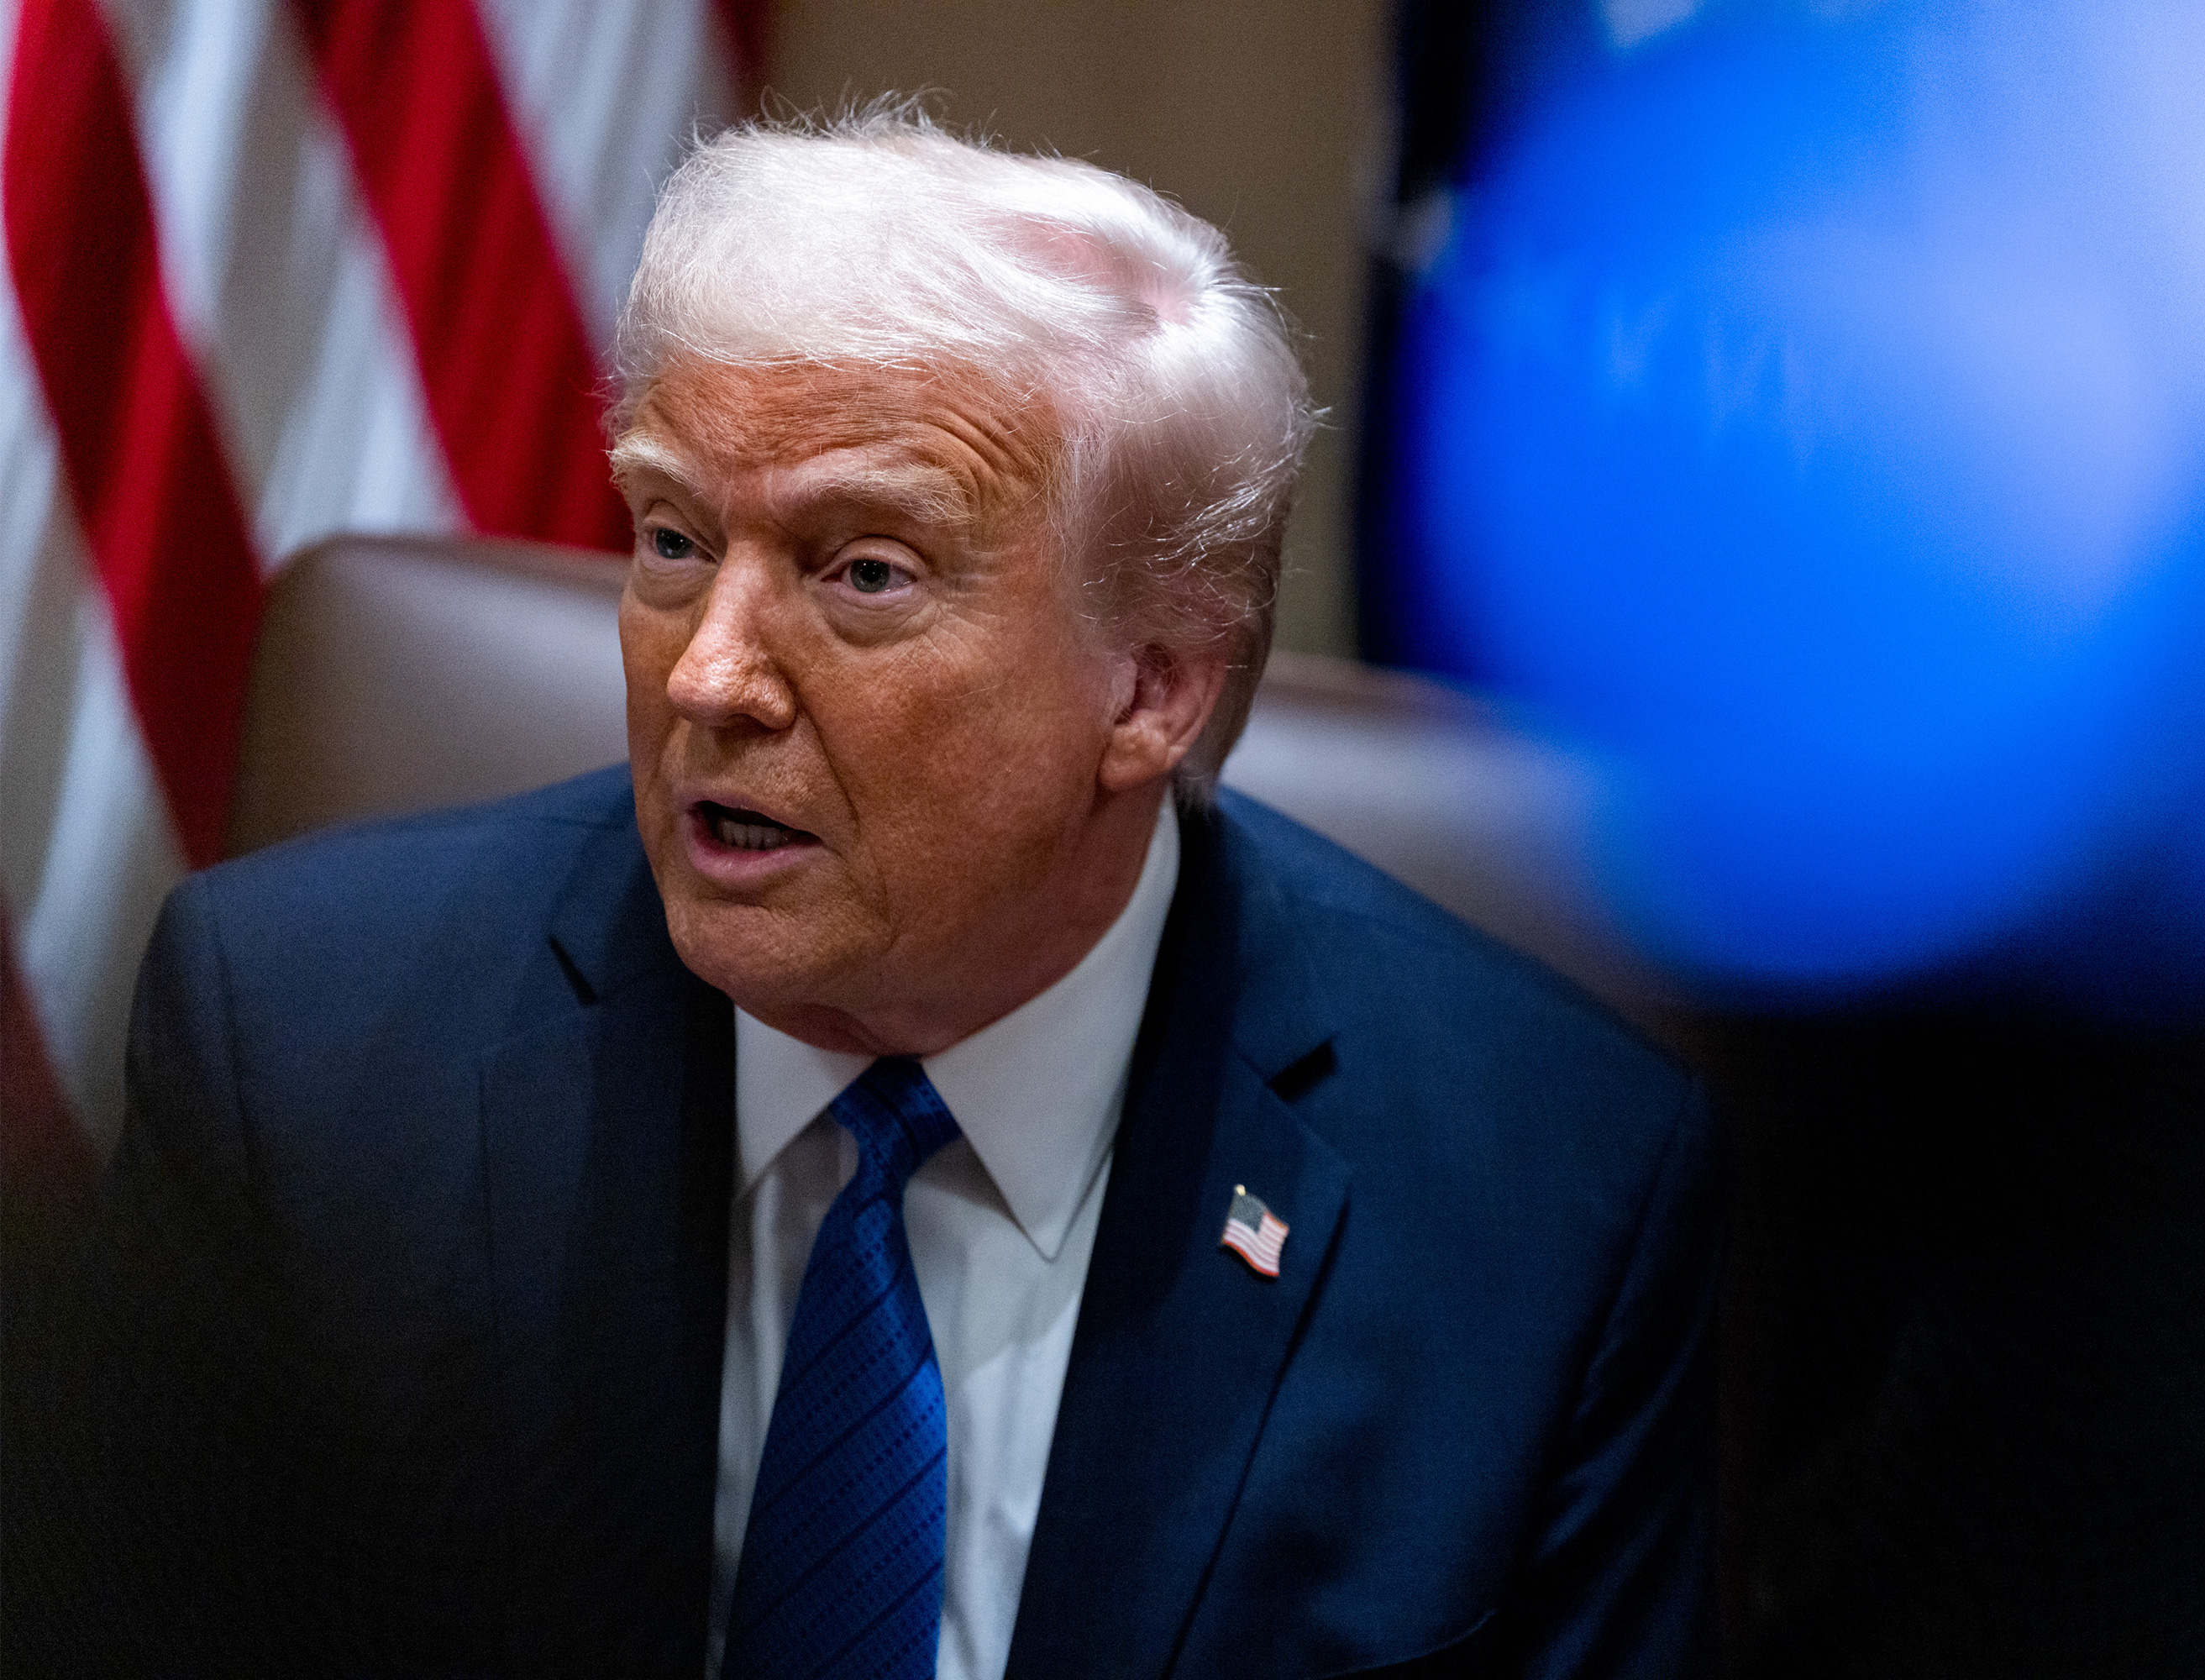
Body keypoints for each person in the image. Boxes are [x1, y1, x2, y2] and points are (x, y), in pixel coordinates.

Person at [87, 110, 1720, 1678]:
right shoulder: (297, 1053)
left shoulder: (1548, 1198)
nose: (709, 677)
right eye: (668, 539)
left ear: (1151, 685)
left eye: (862, 570)